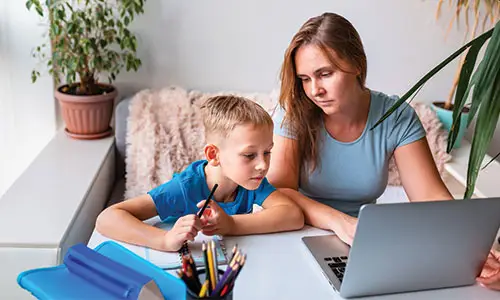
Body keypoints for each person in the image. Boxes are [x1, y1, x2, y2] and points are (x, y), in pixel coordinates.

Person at [266, 12, 454, 247]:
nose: (314, 90)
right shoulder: (293, 111)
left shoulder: (395, 116)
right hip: (298, 233)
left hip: (361, 241)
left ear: (356, 64)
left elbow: (431, 198)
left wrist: (475, 248)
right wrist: (338, 222)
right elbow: (277, 192)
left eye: (325, 74)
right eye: (304, 79)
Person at [96, 95, 304, 252]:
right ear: (214, 154)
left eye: (267, 152)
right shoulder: (185, 188)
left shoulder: (251, 181)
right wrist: (164, 240)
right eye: (249, 155)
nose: (263, 165)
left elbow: (293, 215)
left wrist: (231, 225)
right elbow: (108, 218)